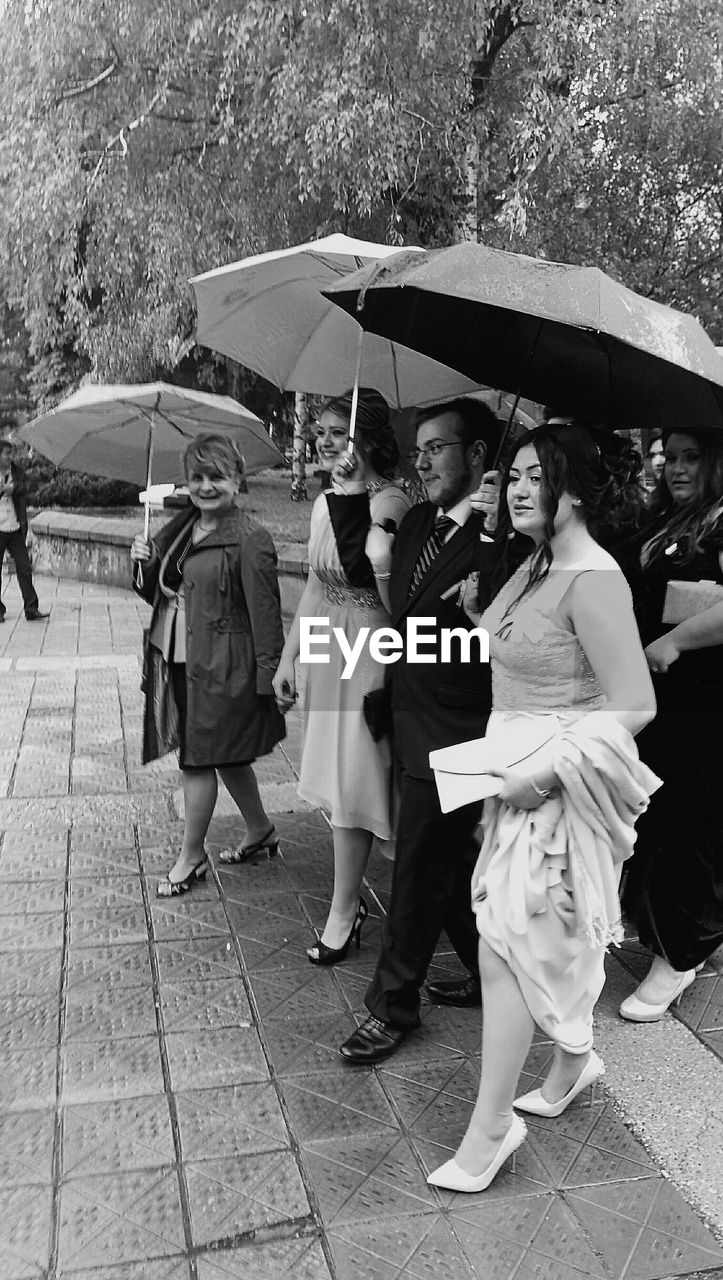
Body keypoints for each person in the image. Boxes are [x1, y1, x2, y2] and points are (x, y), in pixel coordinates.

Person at [426, 422, 658, 1193]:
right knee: (539, 936)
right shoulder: (534, 563)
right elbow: (525, 650)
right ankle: (572, 1062)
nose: (519, 488)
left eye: (536, 475)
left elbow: (635, 702)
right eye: (513, 475)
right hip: (510, 774)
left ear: (578, 488)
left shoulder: (592, 576)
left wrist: (547, 772)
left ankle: (490, 1129)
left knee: (505, 947)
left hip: (553, 785)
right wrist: (474, 616)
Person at [337, 398, 503, 1064]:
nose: (423, 459)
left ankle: (391, 1006)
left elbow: (511, 632)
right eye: (420, 448)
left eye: (437, 447)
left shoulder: (507, 535)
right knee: (449, 857)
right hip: (407, 711)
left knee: (416, 863)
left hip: (465, 722)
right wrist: (352, 495)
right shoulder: (419, 524)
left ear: (478, 456)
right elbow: (370, 586)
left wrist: (496, 544)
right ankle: (495, 970)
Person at [273, 389, 415, 964]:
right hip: (330, 640)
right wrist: (290, 656)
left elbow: (369, 569)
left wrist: (354, 494)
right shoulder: (322, 502)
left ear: (371, 438)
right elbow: (315, 582)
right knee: (338, 775)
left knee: (365, 776)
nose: (329, 442)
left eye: (341, 431)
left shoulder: (392, 502)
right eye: (324, 432)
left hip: (372, 644)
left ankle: (370, 909)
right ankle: (347, 904)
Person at [131, 433, 285, 896]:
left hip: (224, 668)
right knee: (227, 754)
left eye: (216, 476)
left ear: (238, 479)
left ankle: (191, 856)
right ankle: (260, 831)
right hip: (175, 657)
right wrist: (141, 563)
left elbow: (266, 614)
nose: (205, 486)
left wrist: (269, 679)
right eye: (196, 477)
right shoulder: (181, 527)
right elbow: (157, 589)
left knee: (197, 760)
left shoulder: (251, 539)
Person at [620, 427, 723, 1019]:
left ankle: (682, 954)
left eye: (693, 457)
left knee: (691, 827)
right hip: (659, 701)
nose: (677, 468)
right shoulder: (669, 520)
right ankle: (675, 932)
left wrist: (677, 641)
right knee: (658, 821)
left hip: (704, 706)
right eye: (672, 458)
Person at [0, 437, 48, 622]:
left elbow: (31, 486)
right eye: (6, 453)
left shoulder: (17, 472)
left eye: (11, 453)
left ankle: (31, 608)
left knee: (24, 567)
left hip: (15, 528)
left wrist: (15, 488)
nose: (10, 457)